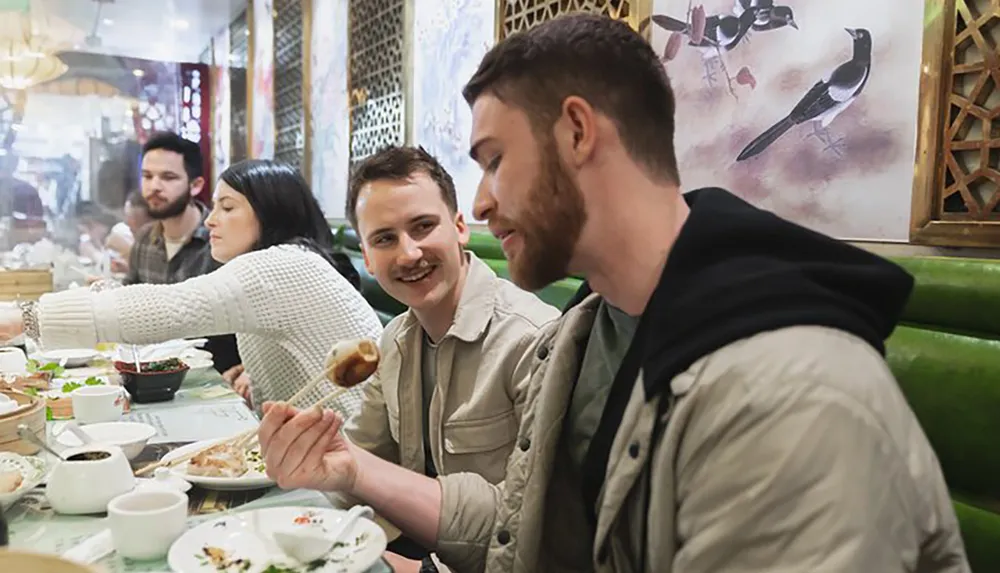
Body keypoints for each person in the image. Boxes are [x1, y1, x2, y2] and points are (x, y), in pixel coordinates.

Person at [257, 14, 970, 573]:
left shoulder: (794, 395)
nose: (482, 202)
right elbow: (520, 530)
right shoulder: (588, 330)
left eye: (495, 161)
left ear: (576, 131)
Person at [0, 159, 383, 416]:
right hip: (318, 449)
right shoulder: (274, 263)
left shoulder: (283, 264)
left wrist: (25, 318)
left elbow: (172, 308)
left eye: (228, 208)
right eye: (213, 206)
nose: (211, 220)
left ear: (271, 215)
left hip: (358, 464)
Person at [342, 145, 558, 570]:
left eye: (422, 227)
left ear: (460, 227)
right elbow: (358, 458)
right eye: (385, 239)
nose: (408, 254)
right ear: (367, 257)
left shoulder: (531, 339)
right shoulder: (394, 341)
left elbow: (539, 527)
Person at [128, 132, 242, 376]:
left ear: (196, 185)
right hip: (152, 372)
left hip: (213, 379)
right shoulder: (144, 239)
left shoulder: (222, 239)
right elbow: (130, 302)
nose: (154, 186)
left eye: (168, 177)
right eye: (147, 176)